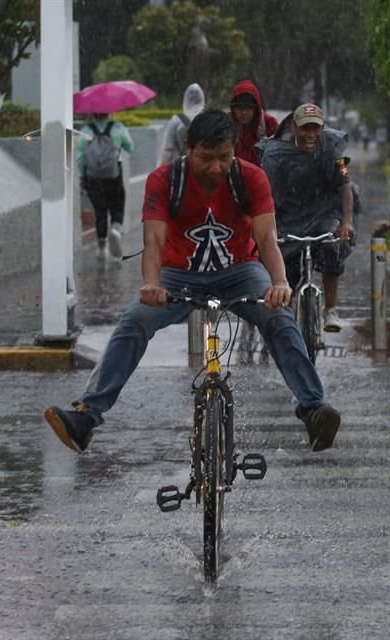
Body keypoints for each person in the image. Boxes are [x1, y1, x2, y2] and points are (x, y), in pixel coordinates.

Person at [44, 109, 341, 454]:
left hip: (240, 271)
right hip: (178, 275)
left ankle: (312, 409)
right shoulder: (164, 180)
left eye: (224, 157)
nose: (216, 167)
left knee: (278, 318)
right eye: (206, 158)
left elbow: (266, 238)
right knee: (135, 320)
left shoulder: (251, 178)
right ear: (188, 149)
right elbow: (154, 241)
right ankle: (86, 417)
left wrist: (280, 283)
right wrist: (151, 284)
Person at [258, 103, 354, 332]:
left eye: (315, 129)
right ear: (294, 128)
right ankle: (285, 317)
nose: (310, 135)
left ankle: (331, 309)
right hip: (288, 215)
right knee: (284, 268)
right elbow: (266, 196)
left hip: (325, 212)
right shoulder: (275, 155)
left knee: (332, 249)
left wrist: (346, 222)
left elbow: (345, 188)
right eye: (305, 129)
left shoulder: (335, 153)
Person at [77, 112, 134, 260]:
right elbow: (130, 147)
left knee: (100, 210)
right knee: (117, 204)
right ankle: (115, 229)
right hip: (114, 173)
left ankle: (102, 247)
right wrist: (118, 145)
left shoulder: (85, 131)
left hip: (93, 177)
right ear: (108, 112)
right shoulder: (118, 128)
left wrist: (82, 176)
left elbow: (80, 157)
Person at [228, 80, 278, 164]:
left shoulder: (269, 123)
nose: (244, 113)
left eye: (248, 108)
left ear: (256, 109)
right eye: (239, 108)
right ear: (233, 109)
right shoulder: (226, 125)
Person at [159, 83, 205, 165]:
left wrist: (160, 168)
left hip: (180, 166)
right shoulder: (209, 117)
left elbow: (168, 149)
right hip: (204, 166)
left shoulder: (177, 119)